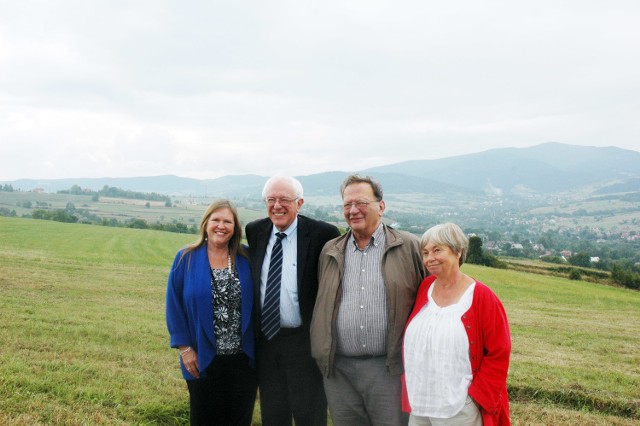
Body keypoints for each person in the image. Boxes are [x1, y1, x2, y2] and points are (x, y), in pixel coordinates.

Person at [310, 174, 426, 426]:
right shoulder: (330, 251)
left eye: (361, 203)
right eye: (347, 205)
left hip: (388, 370)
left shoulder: (410, 247)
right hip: (339, 371)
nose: (353, 211)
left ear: (381, 206)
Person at [246, 175, 340, 426]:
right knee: (273, 413)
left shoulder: (323, 234)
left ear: (300, 203)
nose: (277, 206)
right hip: (267, 341)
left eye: (285, 199)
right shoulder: (255, 230)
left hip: (304, 341)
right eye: (271, 199)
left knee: (309, 412)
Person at [402, 222, 511, 426]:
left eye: (437, 250)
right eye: (425, 252)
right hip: (420, 404)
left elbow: (499, 352)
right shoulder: (425, 288)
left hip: (458, 409)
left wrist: (475, 398)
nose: (429, 258)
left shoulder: (481, 296)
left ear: (458, 251)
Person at [166, 200, 257, 426]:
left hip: (242, 361)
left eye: (228, 221)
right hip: (202, 358)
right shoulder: (185, 257)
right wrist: (185, 349)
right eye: (215, 220)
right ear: (206, 224)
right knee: (204, 419)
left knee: (239, 420)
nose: (221, 226)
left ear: (235, 227)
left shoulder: (247, 257)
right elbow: (174, 305)